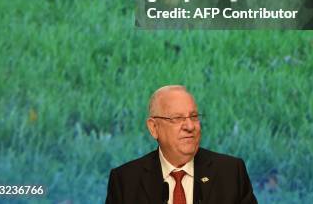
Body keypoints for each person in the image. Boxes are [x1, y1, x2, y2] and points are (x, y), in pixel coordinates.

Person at [105, 85, 258, 203]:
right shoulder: (125, 181)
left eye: (194, 116)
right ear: (153, 128)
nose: (190, 126)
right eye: (177, 118)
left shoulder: (231, 173)